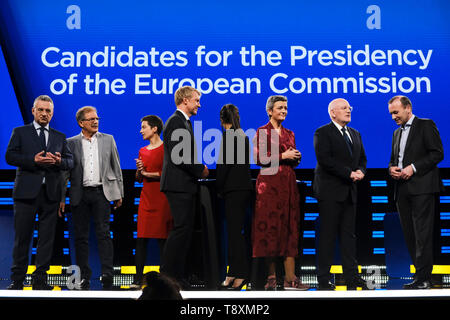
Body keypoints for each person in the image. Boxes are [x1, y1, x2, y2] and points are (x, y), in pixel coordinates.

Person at [5, 95, 73, 290]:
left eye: (48, 111)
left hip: (50, 194)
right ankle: (17, 280)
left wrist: (59, 161)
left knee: (46, 240)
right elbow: (10, 156)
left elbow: (71, 162)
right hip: (26, 194)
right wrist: (33, 160)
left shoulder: (59, 137)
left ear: (52, 113)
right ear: (33, 111)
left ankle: (40, 280)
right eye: (41, 110)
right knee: (22, 239)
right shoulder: (20, 132)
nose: (44, 114)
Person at [60, 106, 124, 290]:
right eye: (91, 119)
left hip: (102, 193)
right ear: (81, 123)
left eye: (97, 118)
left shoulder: (108, 139)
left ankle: (107, 274)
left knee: (104, 233)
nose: (96, 121)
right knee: (80, 237)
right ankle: (83, 276)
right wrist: (61, 198)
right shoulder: (70, 143)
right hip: (79, 194)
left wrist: (120, 193)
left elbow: (116, 166)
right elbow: (64, 173)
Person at [252, 95, 308, 290]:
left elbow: (291, 156)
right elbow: (259, 158)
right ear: (270, 111)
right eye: (279, 108)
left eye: (285, 108)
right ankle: (271, 278)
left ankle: (291, 278)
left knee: (289, 228)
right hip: (269, 187)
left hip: (288, 185)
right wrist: (284, 155)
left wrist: (295, 158)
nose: (283, 111)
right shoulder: (262, 132)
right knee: (270, 229)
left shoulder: (289, 133)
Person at [388, 96, 444, 289]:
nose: (393, 116)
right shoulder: (396, 133)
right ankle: (419, 276)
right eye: (391, 114)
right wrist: (391, 169)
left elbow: (437, 153)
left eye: (396, 112)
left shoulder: (426, 125)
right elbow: (394, 159)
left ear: (408, 109)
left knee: (422, 235)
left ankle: (424, 278)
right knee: (410, 235)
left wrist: (413, 167)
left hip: (422, 188)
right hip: (402, 190)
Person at [313, 98, 368, 290]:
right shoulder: (322, 132)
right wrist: (349, 173)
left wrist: (361, 171)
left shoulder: (355, 134)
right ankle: (323, 279)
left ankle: (352, 278)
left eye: (349, 108)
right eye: (344, 108)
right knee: (327, 236)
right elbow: (325, 160)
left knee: (348, 237)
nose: (348, 110)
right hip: (330, 192)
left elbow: (362, 159)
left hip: (349, 192)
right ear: (332, 113)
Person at [159, 86, 209, 289]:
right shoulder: (176, 122)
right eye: (196, 100)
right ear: (185, 100)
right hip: (179, 184)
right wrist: (200, 169)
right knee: (181, 230)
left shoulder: (183, 122)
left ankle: (177, 275)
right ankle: (168, 276)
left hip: (183, 184)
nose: (199, 104)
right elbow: (180, 156)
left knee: (185, 230)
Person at [131, 115, 173, 289]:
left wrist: (148, 174)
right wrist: (140, 171)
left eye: (144, 127)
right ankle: (137, 279)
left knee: (163, 240)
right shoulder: (143, 151)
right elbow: (139, 178)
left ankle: (165, 280)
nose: (141, 130)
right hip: (146, 199)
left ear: (154, 128)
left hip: (162, 199)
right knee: (141, 239)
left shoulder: (166, 149)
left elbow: (167, 173)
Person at [216, 104, 253, 290]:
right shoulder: (243, 136)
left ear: (222, 120)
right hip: (243, 190)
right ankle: (233, 273)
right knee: (235, 233)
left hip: (233, 191)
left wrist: (218, 186)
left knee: (235, 235)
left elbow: (224, 167)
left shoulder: (228, 137)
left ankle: (241, 274)